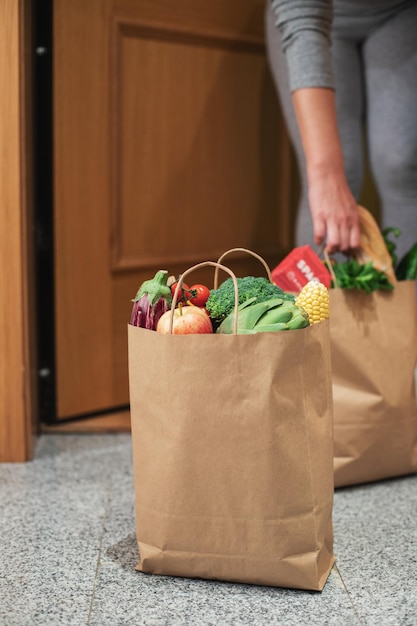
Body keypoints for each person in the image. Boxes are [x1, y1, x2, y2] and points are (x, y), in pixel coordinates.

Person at [265, 0, 417, 258]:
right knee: (333, 178)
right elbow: (303, 17)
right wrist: (325, 172)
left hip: (402, 12)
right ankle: (319, 297)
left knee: (402, 164)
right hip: (307, 15)